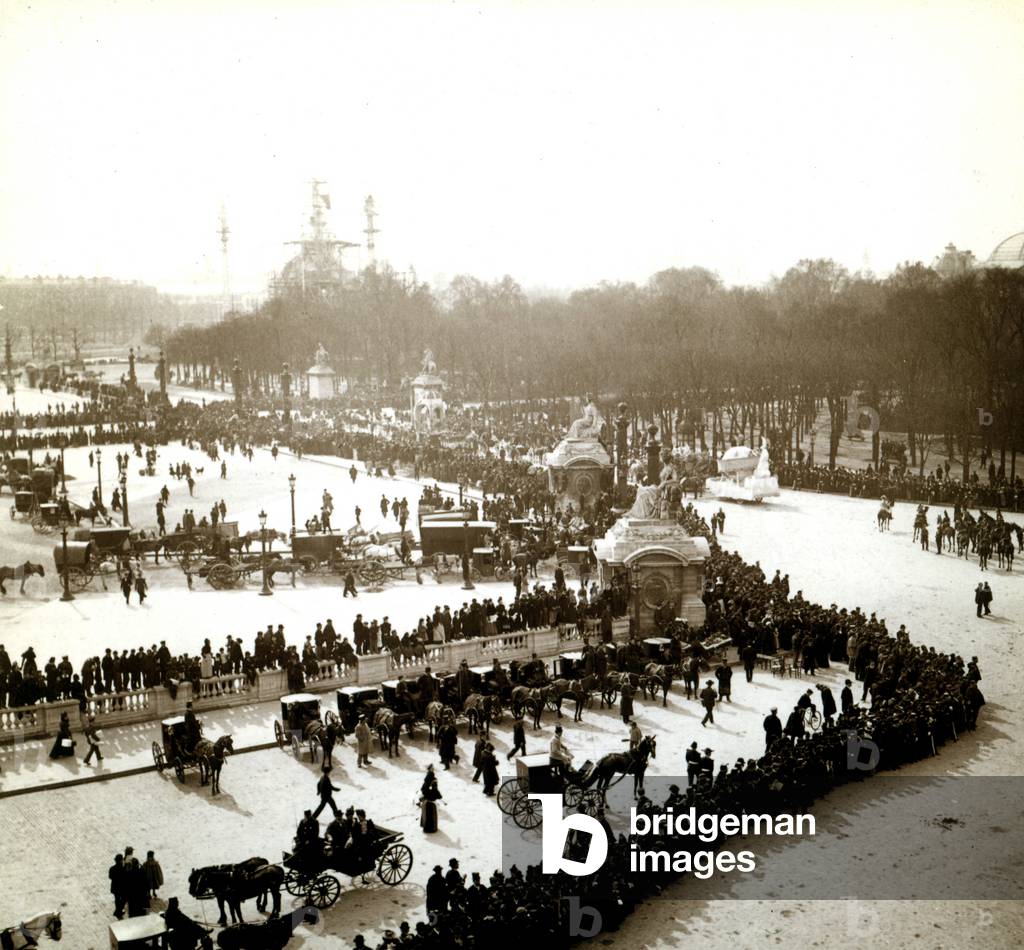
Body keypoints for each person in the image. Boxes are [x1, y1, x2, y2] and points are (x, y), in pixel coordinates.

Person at [420, 765, 442, 833]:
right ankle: (430, 828)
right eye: (432, 768)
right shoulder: (430, 779)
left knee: (428, 814)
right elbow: (429, 789)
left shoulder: (430, 778)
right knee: (429, 815)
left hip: (428, 799)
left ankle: (428, 827)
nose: (433, 769)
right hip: (429, 800)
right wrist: (436, 794)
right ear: (429, 769)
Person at [109, 853, 127, 919]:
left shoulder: (112, 868)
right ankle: (118, 911)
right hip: (121, 887)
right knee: (124, 898)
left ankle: (118, 911)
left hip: (114, 886)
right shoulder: (123, 868)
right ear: (120, 861)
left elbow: (110, 877)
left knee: (117, 899)